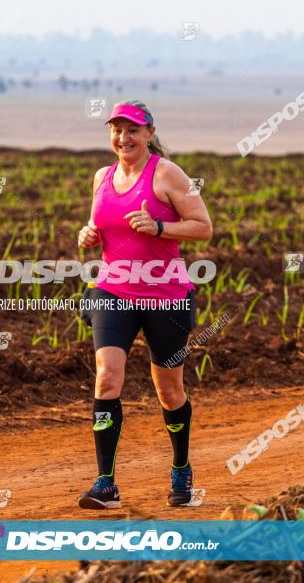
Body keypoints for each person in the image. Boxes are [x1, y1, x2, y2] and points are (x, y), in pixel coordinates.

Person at [76, 100, 213, 509]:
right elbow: (101, 227)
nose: (124, 138)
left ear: (150, 133)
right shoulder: (102, 176)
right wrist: (89, 235)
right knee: (107, 377)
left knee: (169, 391)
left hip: (165, 294)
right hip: (114, 290)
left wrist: (159, 227)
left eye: (133, 130)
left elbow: (204, 228)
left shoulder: (168, 174)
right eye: (116, 130)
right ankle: (105, 485)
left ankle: (181, 470)